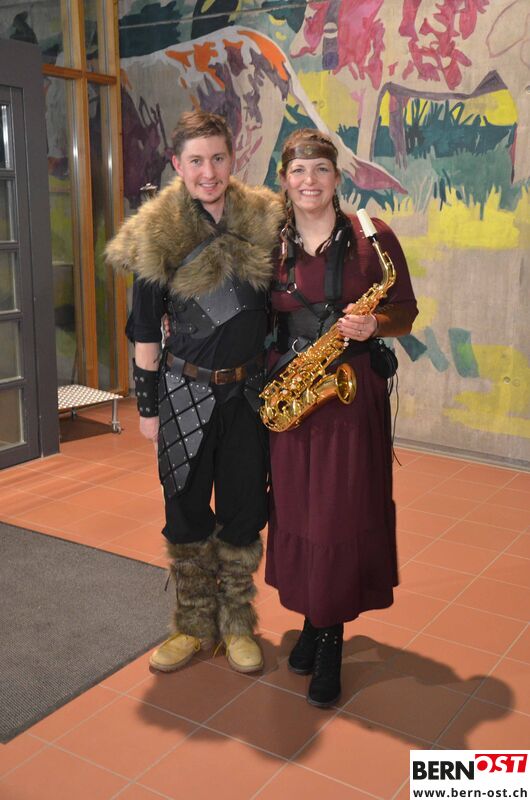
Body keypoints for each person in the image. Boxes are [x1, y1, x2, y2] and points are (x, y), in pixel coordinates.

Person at [105, 111, 282, 674]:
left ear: (233, 158)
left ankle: (237, 625)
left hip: (249, 394)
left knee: (244, 510)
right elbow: (143, 330)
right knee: (183, 511)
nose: (209, 172)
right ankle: (192, 625)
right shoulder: (156, 232)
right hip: (183, 393)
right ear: (178, 165)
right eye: (197, 161)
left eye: (218, 158)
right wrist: (148, 407)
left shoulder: (265, 219)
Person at [264, 129, 418, 707]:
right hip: (294, 392)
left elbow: (406, 310)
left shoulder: (372, 239)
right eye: (298, 171)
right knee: (299, 513)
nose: (310, 181)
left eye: (321, 170)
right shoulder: (271, 246)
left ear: (337, 177)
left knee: (337, 515)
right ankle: (314, 619)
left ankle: (328, 638)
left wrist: (375, 324)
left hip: (351, 397)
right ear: (284, 180)